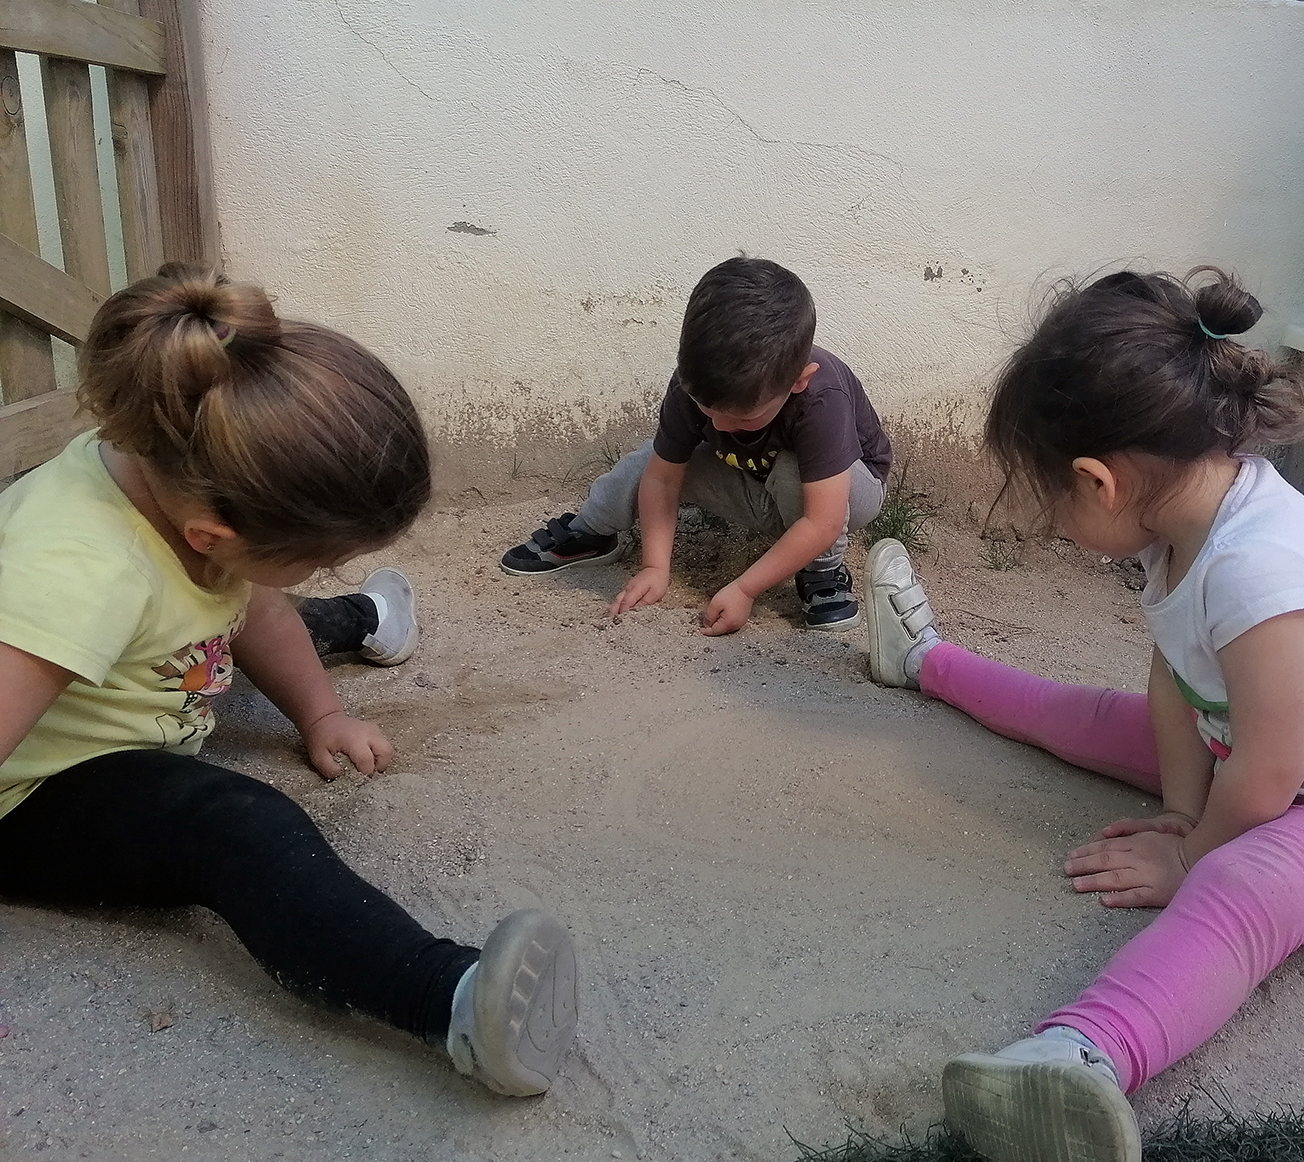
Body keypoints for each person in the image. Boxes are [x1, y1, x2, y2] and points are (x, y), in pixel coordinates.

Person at [863, 268, 1304, 1162]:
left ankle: (1080, 1057)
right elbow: (1176, 684)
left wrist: (1192, 855)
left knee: (1245, 886)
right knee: (1082, 715)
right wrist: (1184, 811)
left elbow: (1271, 777)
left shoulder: (1257, 567)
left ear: (1096, 480)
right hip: (1260, 748)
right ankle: (924, 660)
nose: (1054, 517)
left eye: (1051, 500)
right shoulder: (1184, 528)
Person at [0, 264, 576, 1097]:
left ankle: (362, 622)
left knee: (241, 624)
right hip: (32, 791)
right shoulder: (78, 577)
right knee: (227, 821)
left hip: (143, 666)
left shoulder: (178, 462)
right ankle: (449, 999)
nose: (326, 562)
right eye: (320, 558)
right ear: (209, 532)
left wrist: (320, 713)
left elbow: (253, 605)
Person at [500, 257, 892, 634]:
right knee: (648, 460)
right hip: (752, 480)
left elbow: (822, 519)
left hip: (844, 494)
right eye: (709, 410)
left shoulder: (821, 397)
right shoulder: (693, 382)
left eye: (742, 417)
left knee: (793, 471)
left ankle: (822, 571)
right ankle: (593, 531)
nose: (720, 425)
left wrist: (743, 589)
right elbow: (663, 478)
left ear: (798, 382)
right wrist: (655, 567)